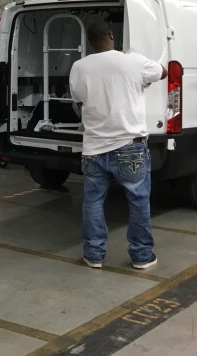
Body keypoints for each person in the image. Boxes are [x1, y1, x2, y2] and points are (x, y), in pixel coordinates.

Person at [69, 20, 167, 270]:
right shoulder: (133, 61)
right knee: (138, 200)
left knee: (93, 202)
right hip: (129, 146)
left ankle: (93, 255)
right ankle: (142, 256)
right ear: (111, 36)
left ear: (90, 42)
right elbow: (163, 72)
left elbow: (79, 100)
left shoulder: (79, 67)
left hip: (93, 148)